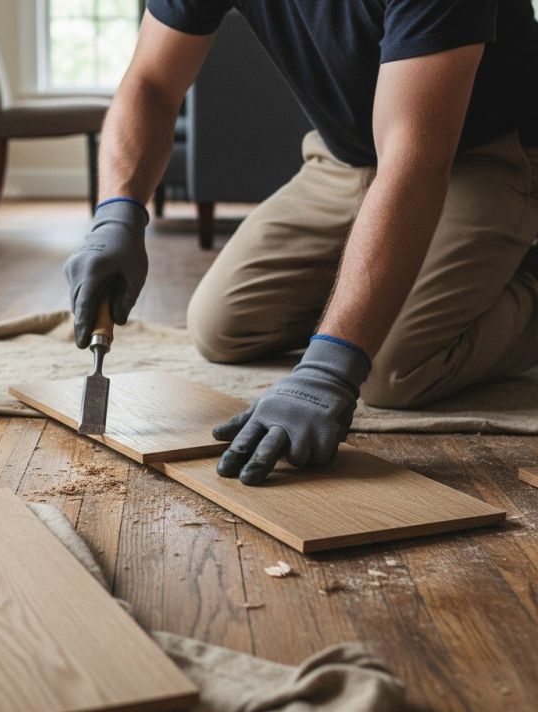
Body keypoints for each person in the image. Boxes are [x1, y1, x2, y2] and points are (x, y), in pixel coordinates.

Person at [63, 0, 538, 485]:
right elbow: (151, 84)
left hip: (478, 158)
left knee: (391, 371)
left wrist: (328, 369)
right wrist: (116, 216)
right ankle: (397, 288)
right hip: (343, 160)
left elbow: (415, 160)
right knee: (223, 327)